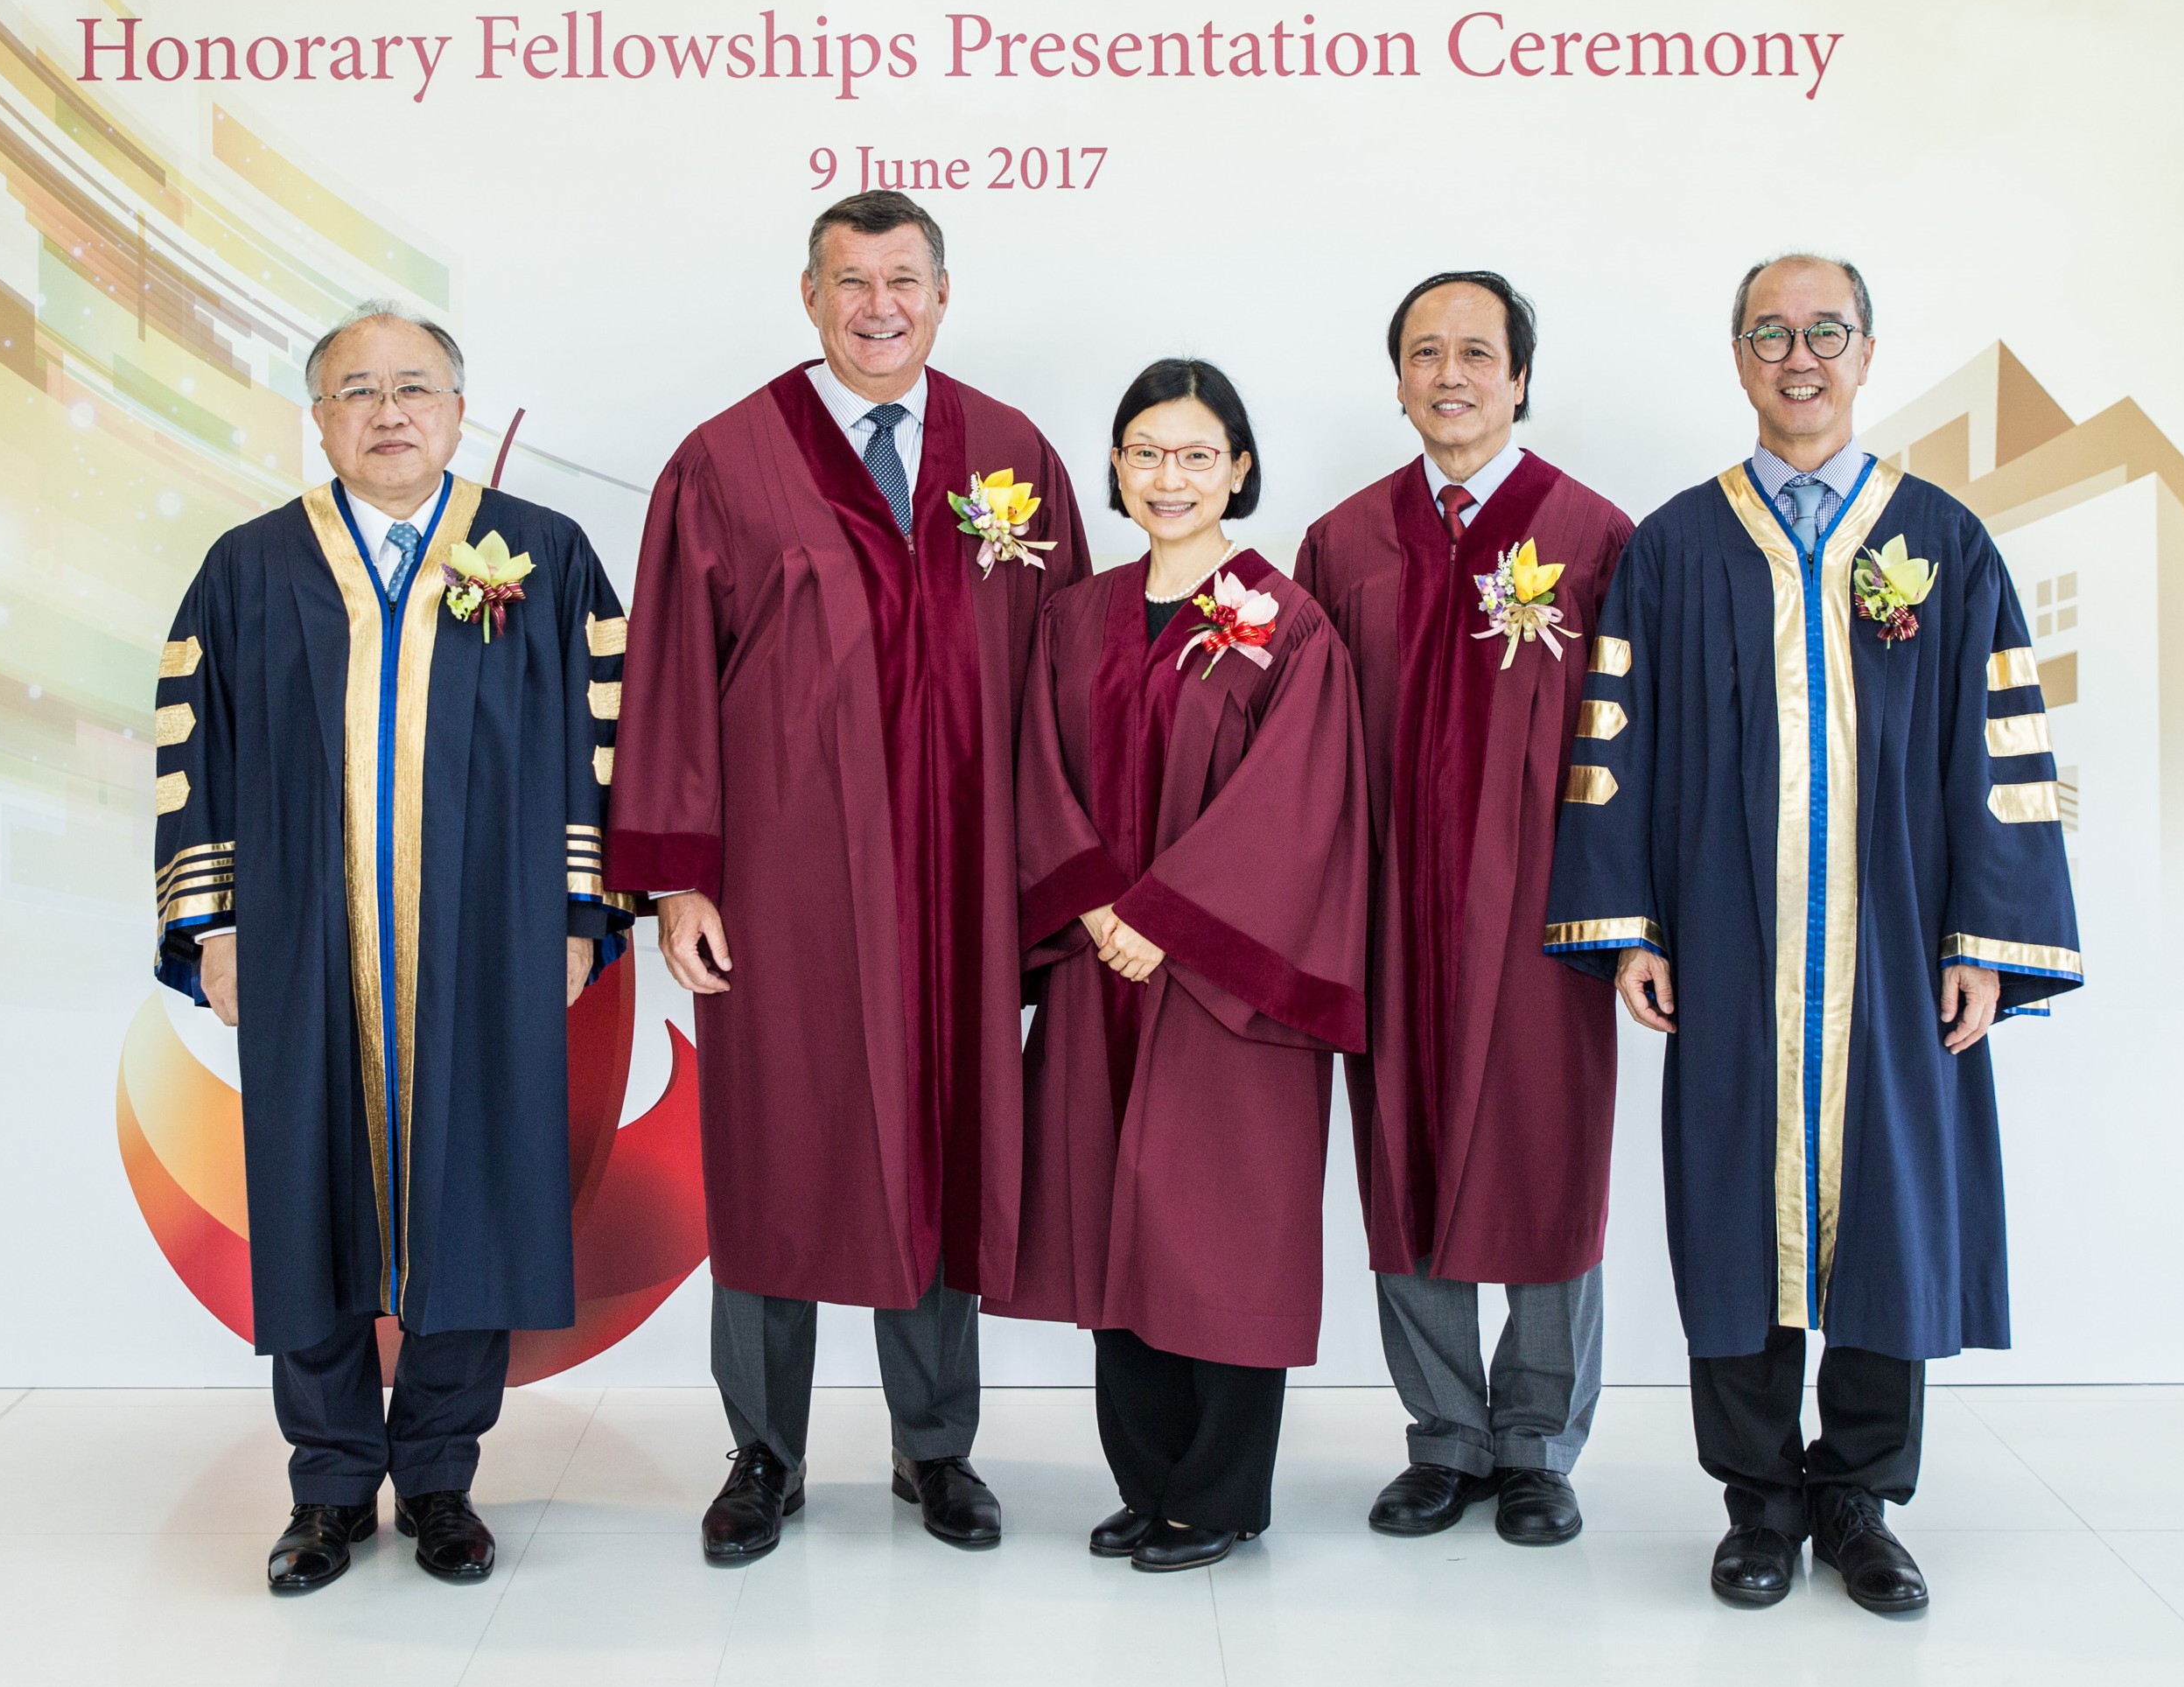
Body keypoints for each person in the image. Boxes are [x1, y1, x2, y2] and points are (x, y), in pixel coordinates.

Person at [1544, 254, 2081, 1615]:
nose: (1799, 356)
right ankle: (1756, 1499)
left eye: (1824, 331)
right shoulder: (1675, 546)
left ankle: (1857, 1497)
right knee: (1731, 1198)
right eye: (1770, 333)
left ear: (1866, 351)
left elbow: (1997, 746)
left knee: (1889, 1206)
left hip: (1893, 949)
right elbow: (1616, 743)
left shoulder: (1941, 542)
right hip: (1725, 943)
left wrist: (1982, 939)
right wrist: (1632, 924)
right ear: (1736, 357)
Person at [606, 191, 1090, 1563]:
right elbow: (670, 678)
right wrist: (679, 881)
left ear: (942, 295)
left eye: (903, 280)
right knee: (777, 1154)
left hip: (961, 885)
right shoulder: (725, 459)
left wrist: (1060, 877)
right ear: (809, 296)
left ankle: (934, 1446)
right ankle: (763, 1451)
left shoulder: (1013, 454)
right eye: (851, 281)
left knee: (941, 1145)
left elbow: (1069, 677)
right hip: (787, 890)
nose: (879, 307)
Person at [153, 301, 633, 1592]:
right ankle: (325, 1489)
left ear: (459, 410)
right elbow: (196, 744)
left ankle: (438, 1478)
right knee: (307, 1195)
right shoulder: (249, 566)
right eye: (356, 390)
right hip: (300, 938)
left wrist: (579, 915)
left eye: (414, 386)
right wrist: (213, 924)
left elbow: (601, 747)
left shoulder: (540, 553)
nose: (388, 412)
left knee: (473, 1195)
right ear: (318, 420)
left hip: (492, 938)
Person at [997, 359, 1368, 1572]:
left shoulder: (1285, 624)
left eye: (1197, 455)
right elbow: (1035, 776)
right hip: (1099, 967)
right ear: (1115, 467)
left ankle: (1217, 1495)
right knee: (1116, 1227)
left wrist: (1167, 917)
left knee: (1222, 1232)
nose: (1170, 477)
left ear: (1238, 469)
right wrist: (1098, 906)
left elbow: (1299, 804)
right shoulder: (1074, 617)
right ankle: (1146, 1481)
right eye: (1146, 453)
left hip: (1228, 984)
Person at [1297, 273, 1632, 1548]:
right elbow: (1305, 752)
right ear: (1396, 382)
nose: (1451, 375)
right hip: (1388, 912)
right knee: (1405, 1159)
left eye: (1477, 353)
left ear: (1520, 379)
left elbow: (1632, 748)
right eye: (1425, 353)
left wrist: (1625, 918)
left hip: (1542, 920)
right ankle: (1444, 1434)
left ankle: (1537, 1443)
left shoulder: (1594, 539)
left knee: (1548, 1163)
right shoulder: (1342, 544)